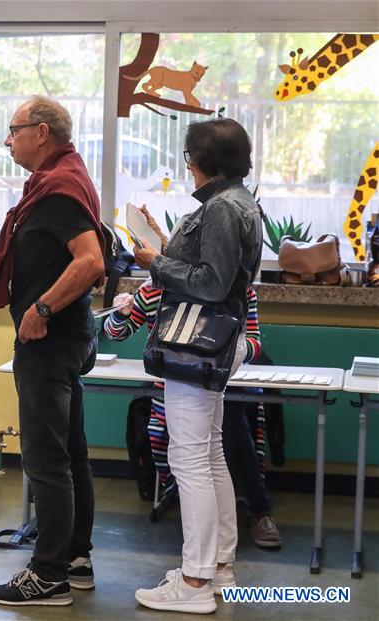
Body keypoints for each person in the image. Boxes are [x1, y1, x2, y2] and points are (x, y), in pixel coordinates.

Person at [130, 118, 263, 614]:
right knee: (208, 456)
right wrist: (164, 244)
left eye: (188, 158)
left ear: (202, 160)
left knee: (189, 461)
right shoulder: (234, 202)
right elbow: (211, 268)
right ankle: (217, 567)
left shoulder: (223, 209)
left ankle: (193, 582)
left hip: (198, 343)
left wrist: (154, 262)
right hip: (212, 342)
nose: (186, 166)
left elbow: (209, 283)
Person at [0, 95, 105, 607]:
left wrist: (42, 310)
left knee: (46, 460)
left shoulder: (57, 189)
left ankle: (48, 574)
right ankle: (75, 558)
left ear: (41, 132)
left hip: (51, 340)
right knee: (70, 453)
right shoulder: (63, 179)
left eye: (13, 130)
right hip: (68, 338)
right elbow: (58, 254)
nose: (7, 140)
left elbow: (91, 261)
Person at [105, 274, 283, 549]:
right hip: (173, 383)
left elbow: (255, 343)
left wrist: (228, 352)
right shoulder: (154, 289)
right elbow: (116, 332)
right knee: (195, 456)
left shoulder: (236, 289)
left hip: (221, 381)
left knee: (225, 447)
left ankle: (252, 516)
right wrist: (121, 312)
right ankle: (214, 536)